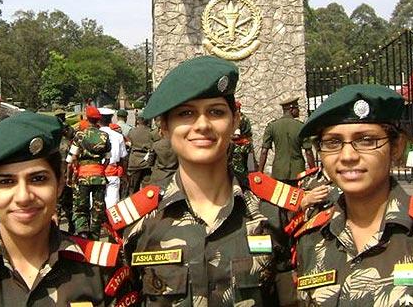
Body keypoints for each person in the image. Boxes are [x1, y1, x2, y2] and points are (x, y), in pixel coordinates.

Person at [106, 56, 297, 306]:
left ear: (235, 120)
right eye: (186, 113)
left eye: (216, 112)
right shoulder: (136, 223)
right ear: (164, 127)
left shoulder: (273, 212)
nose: (202, 125)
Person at [292, 84, 413, 306]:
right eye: (332, 142)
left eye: (366, 140)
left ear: (396, 147)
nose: (347, 155)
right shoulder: (312, 238)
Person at [0, 111, 126, 306]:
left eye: (38, 179)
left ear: (60, 183)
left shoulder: (102, 274)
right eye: (6, 182)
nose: (24, 197)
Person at [68, 106, 110, 239]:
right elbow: (108, 158)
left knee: (81, 207)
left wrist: (70, 175)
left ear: (87, 118)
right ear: (98, 119)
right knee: (98, 208)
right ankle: (95, 235)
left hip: (83, 176)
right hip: (99, 176)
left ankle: (83, 232)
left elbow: (71, 158)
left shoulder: (79, 135)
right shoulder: (104, 136)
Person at [259, 97, 315, 185]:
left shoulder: (272, 126)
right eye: (297, 108)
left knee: (280, 197)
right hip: (298, 171)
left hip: (279, 171)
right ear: (291, 109)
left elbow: (264, 151)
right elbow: (308, 152)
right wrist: (313, 171)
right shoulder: (301, 127)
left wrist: (260, 172)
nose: (299, 111)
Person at [99, 108, 128, 208]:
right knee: (112, 204)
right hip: (113, 173)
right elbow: (123, 157)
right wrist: (124, 175)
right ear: (111, 119)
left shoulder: (91, 135)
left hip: (95, 173)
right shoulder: (118, 136)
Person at [53, 110, 75, 233]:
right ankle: (71, 228)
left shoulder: (52, 130)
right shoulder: (68, 130)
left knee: (58, 204)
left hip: (57, 172)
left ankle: (57, 229)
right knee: (68, 203)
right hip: (66, 172)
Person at [126, 113, 155, 194]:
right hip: (147, 162)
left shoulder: (132, 131)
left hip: (134, 162)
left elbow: (129, 143)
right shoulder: (151, 133)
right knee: (147, 189)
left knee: (132, 188)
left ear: (138, 120)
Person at [229, 101, 257, 186]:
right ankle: (251, 183)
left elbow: (238, 135)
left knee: (239, 169)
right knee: (250, 167)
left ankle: (244, 184)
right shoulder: (245, 118)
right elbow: (249, 133)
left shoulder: (236, 119)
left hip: (239, 147)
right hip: (247, 146)